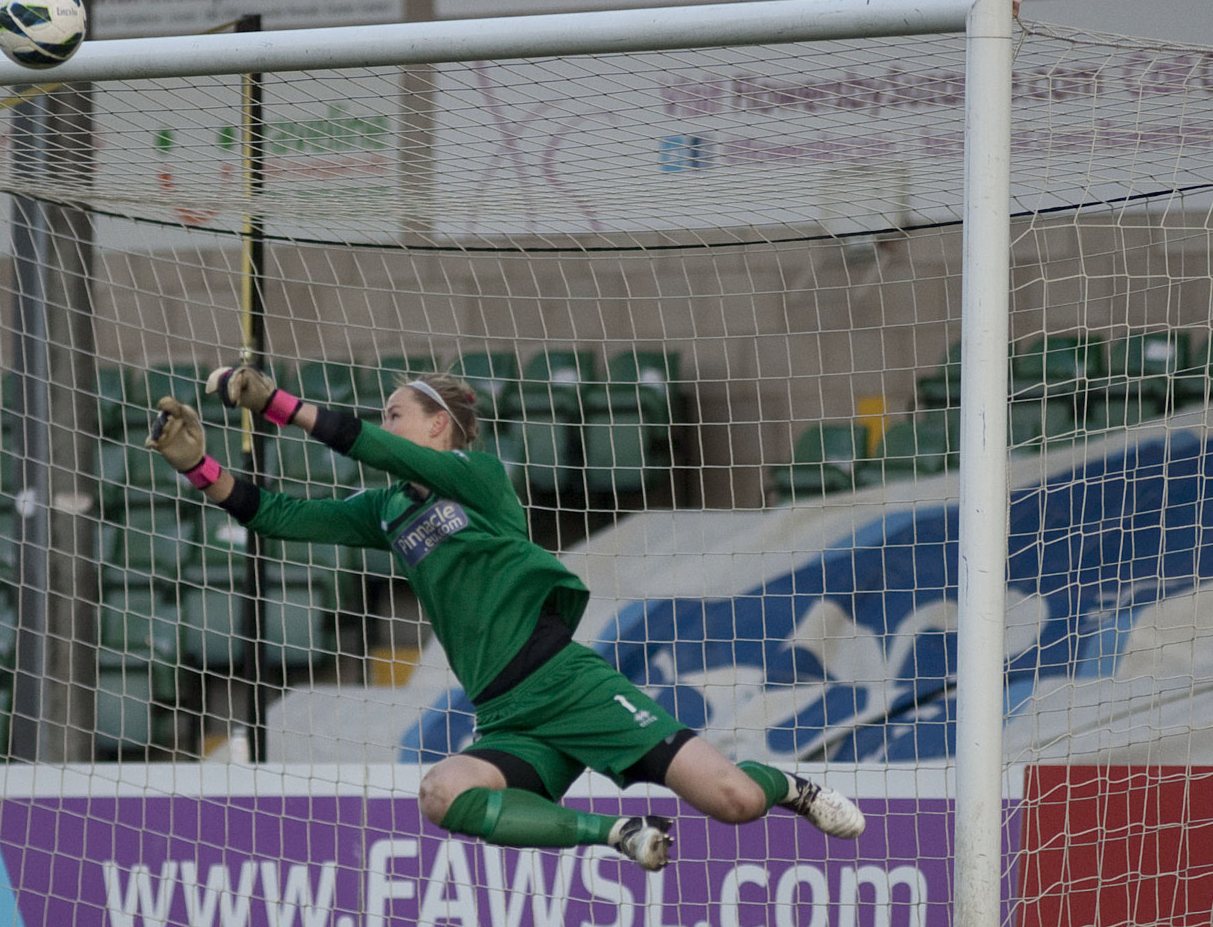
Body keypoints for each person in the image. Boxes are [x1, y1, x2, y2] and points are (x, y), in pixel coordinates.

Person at [146, 364, 867, 869]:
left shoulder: (478, 477)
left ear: (439, 427)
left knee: (736, 800)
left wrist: (278, 404)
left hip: (564, 684)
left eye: (398, 411)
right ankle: (616, 831)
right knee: (440, 793)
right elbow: (275, 514)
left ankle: (794, 787)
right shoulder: (390, 509)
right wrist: (197, 466)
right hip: (505, 715)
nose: (385, 422)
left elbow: (358, 440)